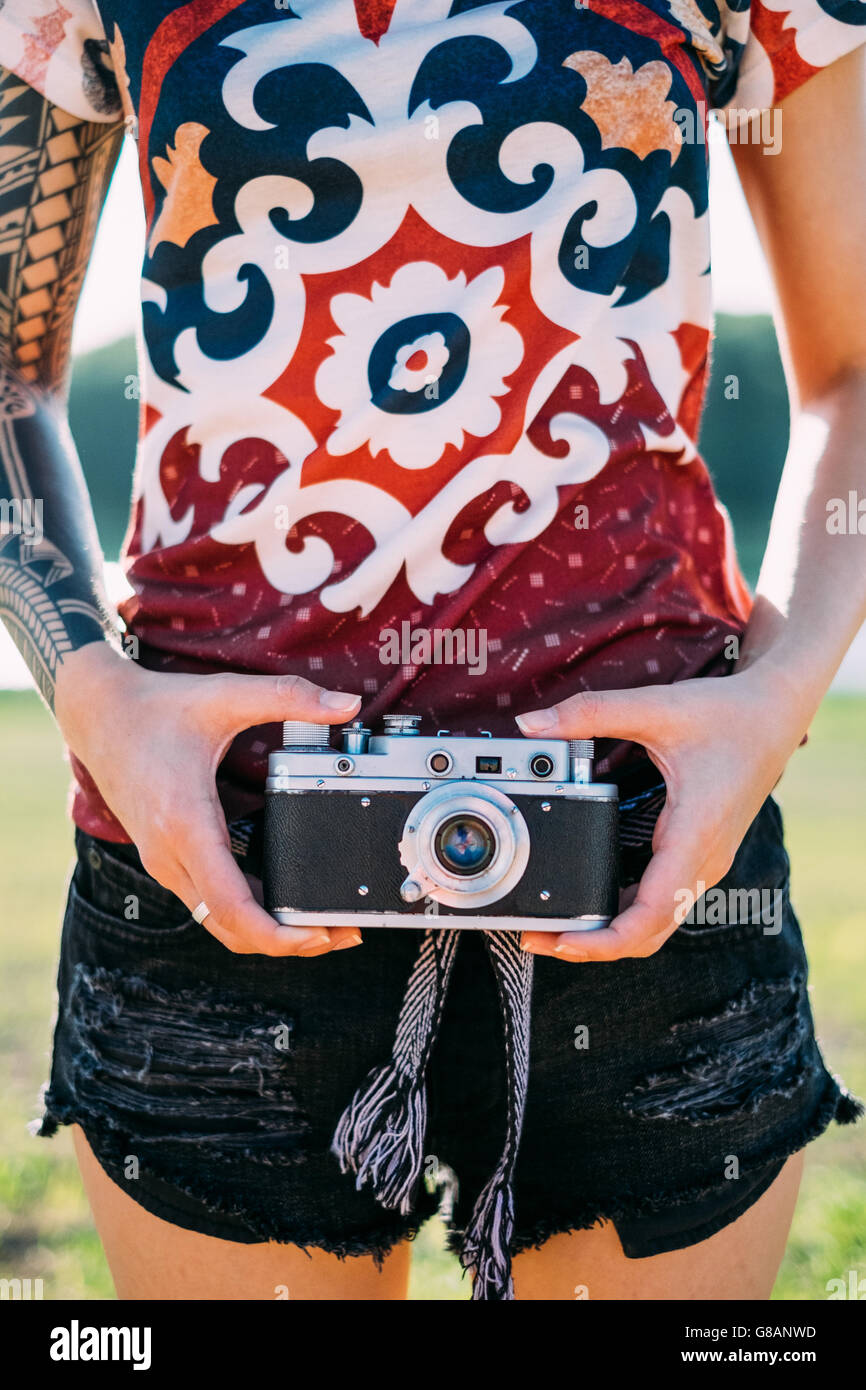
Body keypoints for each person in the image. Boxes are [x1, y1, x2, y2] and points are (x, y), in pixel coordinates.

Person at [0, 0, 864, 1302]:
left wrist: (778, 692)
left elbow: (855, 365)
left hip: (650, 833)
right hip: (210, 837)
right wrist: (93, 695)